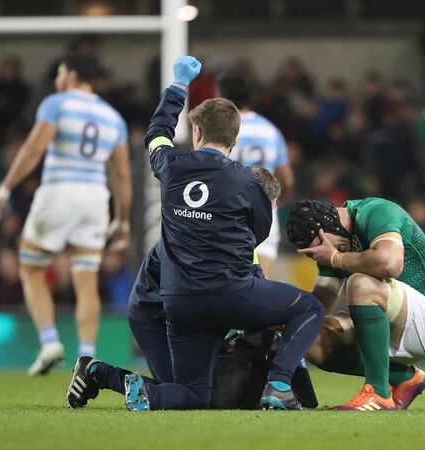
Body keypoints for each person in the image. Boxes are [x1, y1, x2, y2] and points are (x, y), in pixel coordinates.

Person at [69, 56, 322, 411]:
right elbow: (259, 234)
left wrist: (178, 86)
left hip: (180, 304)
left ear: (197, 132)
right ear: (234, 139)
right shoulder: (249, 183)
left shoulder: (170, 166)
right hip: (231, 294)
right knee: (309, 307)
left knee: (192, 393)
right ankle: (278, 384)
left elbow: (156, 134)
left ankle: (110, 375)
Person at [66, 167, 319, 409]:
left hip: (180, 310)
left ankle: (98, 372)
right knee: (192, 393)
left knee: (189, 393)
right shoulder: (221, 232)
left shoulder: (225, 227)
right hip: (155, 313)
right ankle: (107, 375)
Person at [0, 54, 132, 377]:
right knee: (86, 280)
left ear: (72, 74)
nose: (56, 79)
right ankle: (87, 359)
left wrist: (5, 188)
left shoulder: (57, 103)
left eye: (59, 73)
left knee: (30, 267)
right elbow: (122, 173)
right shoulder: (113, 117)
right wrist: (121, 220)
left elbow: (35, 147)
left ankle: (50, 341)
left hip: (59, 190)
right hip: (95, 197)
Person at [287, 198, 425, 410]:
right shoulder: (336, 244)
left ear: (327, 227)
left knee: (360, 283)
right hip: (394, 318)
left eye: (319, 248)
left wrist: (336, 258)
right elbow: (318, 305)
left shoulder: (376, 212)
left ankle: (378, 392)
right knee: (310, 337)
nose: (322, 255)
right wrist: (285, 318)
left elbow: (390, 263)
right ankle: (404, 378)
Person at [220, 75, 294, 279]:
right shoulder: (271, 131)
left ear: (223, 97)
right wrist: (278, 201)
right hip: (265, 205)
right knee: (264, 277)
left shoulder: (222, 129)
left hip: (229, 207)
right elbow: (287, 179)